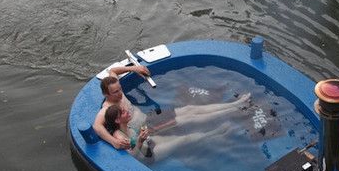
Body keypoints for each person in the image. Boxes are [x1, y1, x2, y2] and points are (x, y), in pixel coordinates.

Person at [92, 66, 251, 150]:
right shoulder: (107, 108)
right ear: (106, 94)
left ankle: (233, 104)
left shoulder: (114, 86)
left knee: (190, 109)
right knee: (189, 118)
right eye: (115, 92)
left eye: (120, 89)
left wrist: (134, 68)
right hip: (147, 128)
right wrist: (113, 142)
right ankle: (234, 110)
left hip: (150, 117)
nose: (120, 94)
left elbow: (112, 71)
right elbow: (97, 126)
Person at [104, 104, 234, 160]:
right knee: (183, 140)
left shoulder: (127, 126)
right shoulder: (119, 136)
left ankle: (214, 133)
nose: (128, 112)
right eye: (124, 112)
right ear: (117, 120)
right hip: (148, 156)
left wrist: (141, 136)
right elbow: (132, 157)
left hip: (148, 143)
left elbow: (135, 140)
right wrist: (139, 140)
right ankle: (215, 133)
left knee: (182, 135)